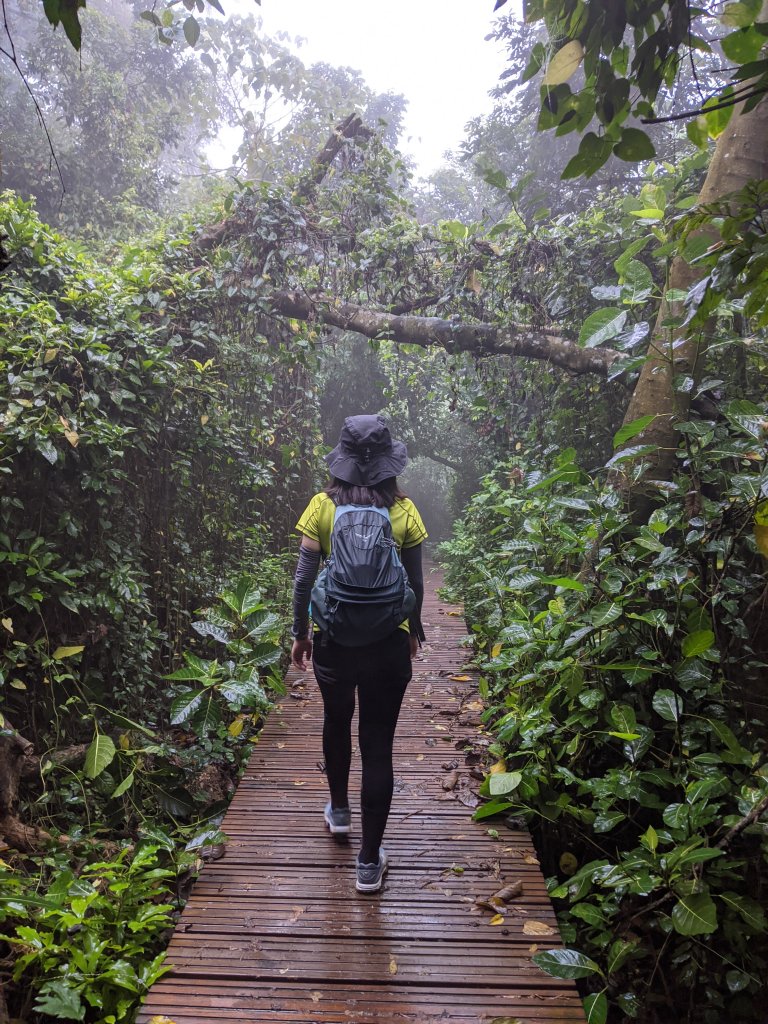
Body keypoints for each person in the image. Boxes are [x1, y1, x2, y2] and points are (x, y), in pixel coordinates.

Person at [290, 414, 427, 893]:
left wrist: (300, 633)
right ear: (389, 462)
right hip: (387, 643)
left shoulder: (321, 507)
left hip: (334, 640)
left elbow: (305, 579)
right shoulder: (404, 511)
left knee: (335, 719)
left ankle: (340, 812)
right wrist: (414, 631)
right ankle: (369, 863)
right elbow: (416, 582)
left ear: (342, 460)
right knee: (378, 744)